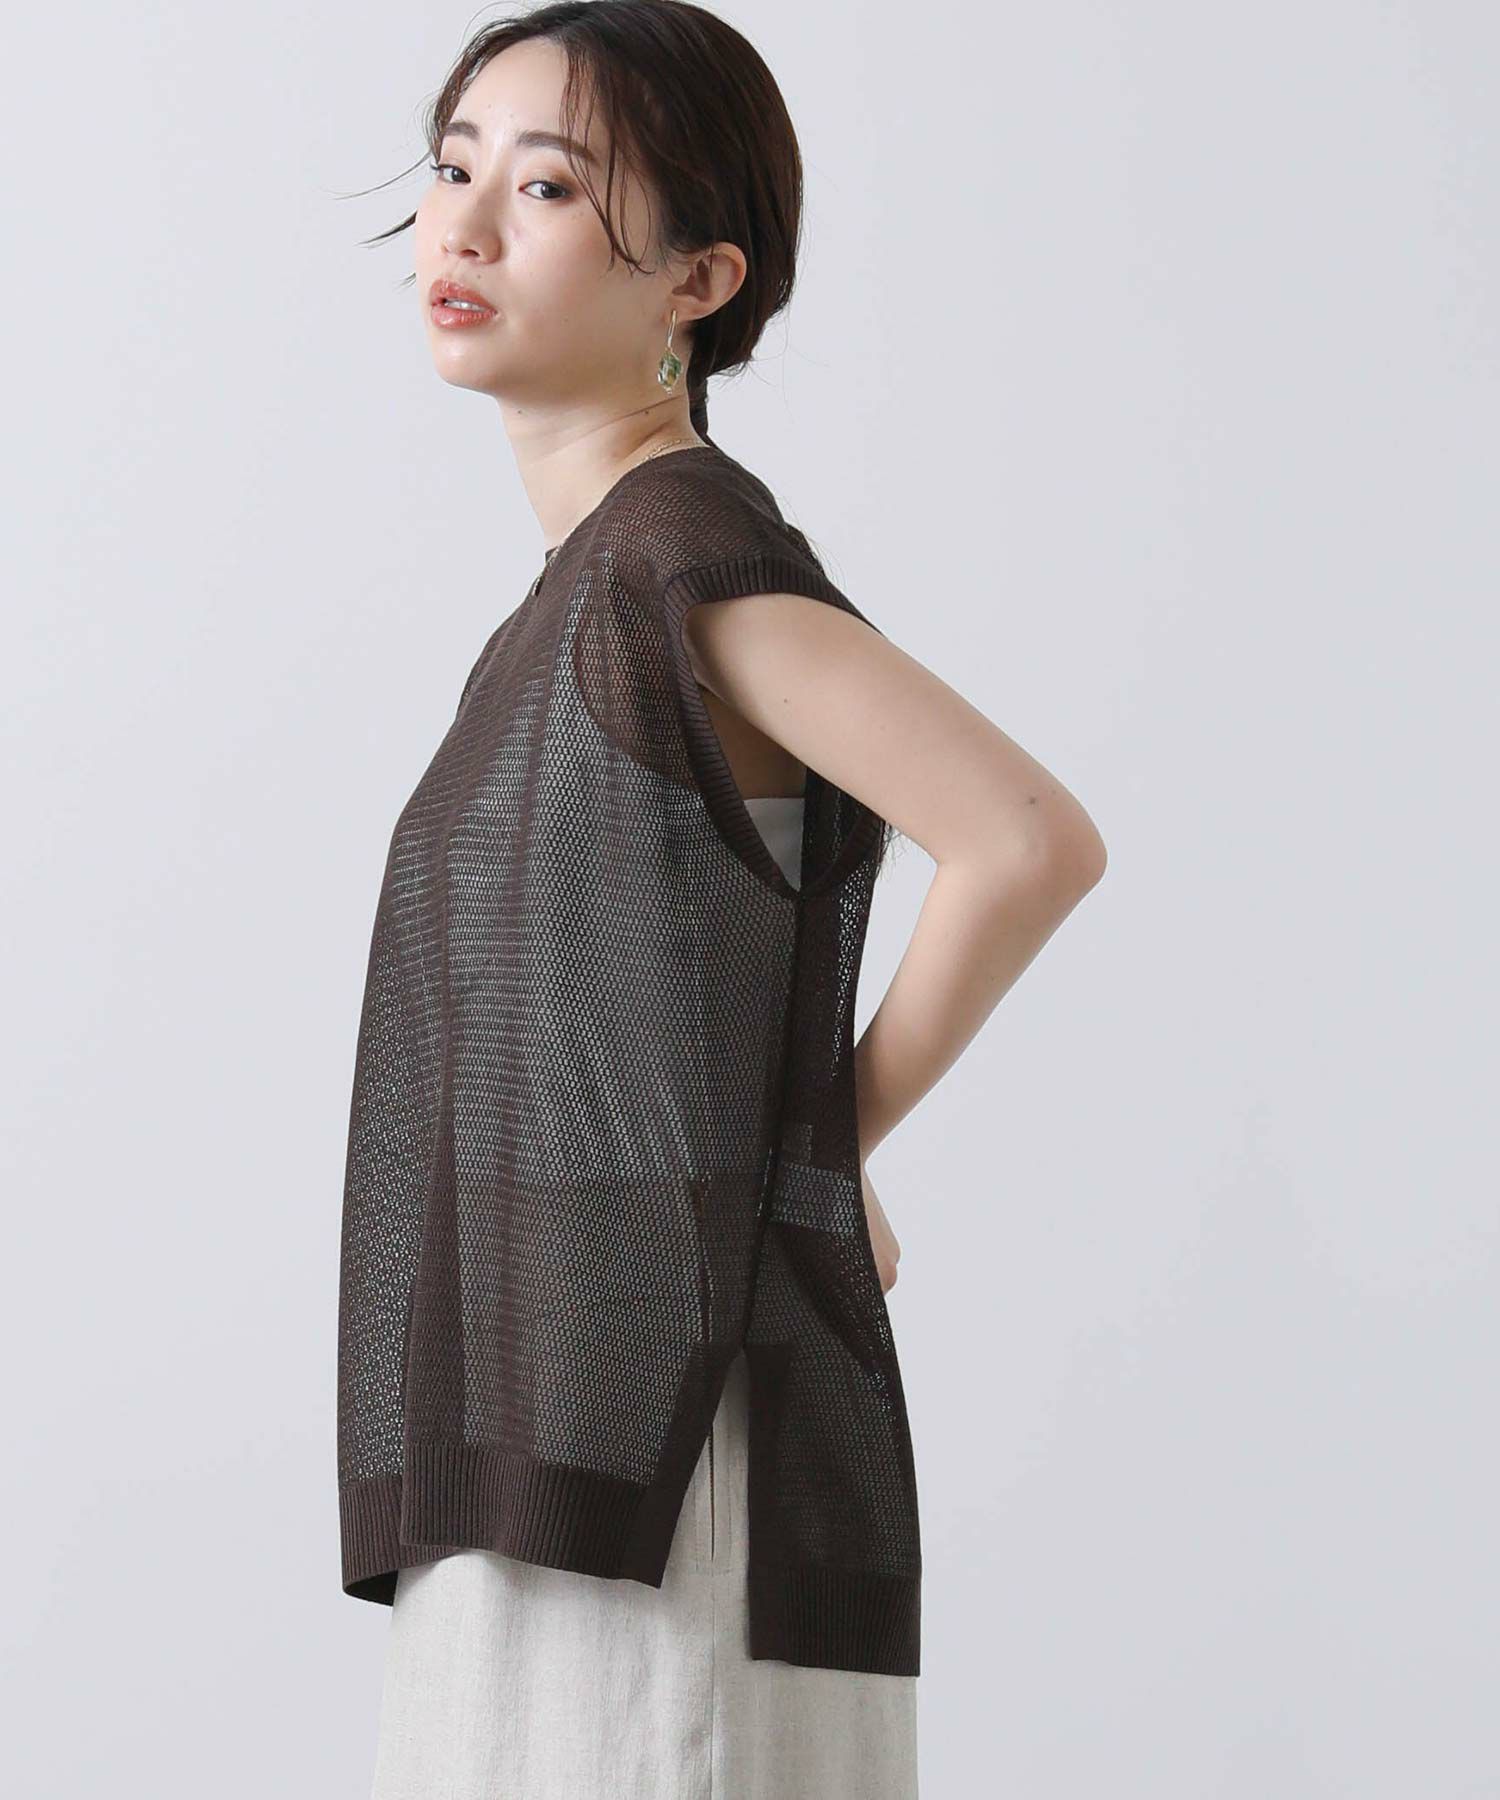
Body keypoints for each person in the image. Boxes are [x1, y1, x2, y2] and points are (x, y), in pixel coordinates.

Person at [344, 5, 1108, 1795]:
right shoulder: (582, 590)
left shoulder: (678, 561)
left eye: (548, 187)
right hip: (557, 1416)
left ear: (699, 280)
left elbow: (1024, 837)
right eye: (454, 168)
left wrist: (815, 1148)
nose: (465, 225)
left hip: (654, 1445)